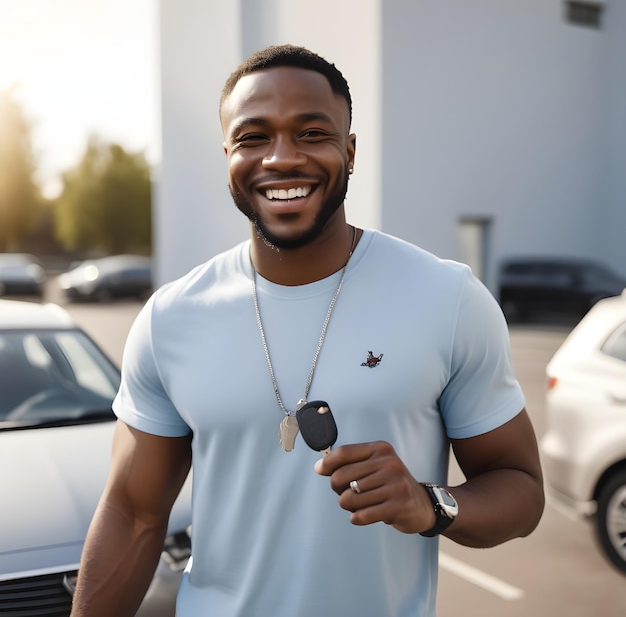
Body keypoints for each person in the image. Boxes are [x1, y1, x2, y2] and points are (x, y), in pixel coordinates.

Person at [70, 44, 544, 617]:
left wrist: (430, 504)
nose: (280, 159)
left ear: (349, 150)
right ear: (227, 155)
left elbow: (520, 487)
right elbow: (133, 514)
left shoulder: (444, 297)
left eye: (312, 133)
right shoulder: (172, 318)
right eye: (252, 138)